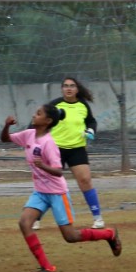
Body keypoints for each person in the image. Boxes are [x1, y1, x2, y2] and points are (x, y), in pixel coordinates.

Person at [2, 106, 122, 272]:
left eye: (38, 114)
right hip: (40, 192)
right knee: (24, 223)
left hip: (57, 193)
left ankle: (108, 234)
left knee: (71, 236)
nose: (34, 115)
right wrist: (6, 126)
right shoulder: (29, 134)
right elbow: (5, 139)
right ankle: (47, 268)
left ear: (48, 121)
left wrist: (42, 165)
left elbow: (59, 171)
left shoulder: (49, 143)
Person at [39, 77, 105, 230]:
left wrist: (90, 130)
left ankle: (97, 218)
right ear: (62, 89)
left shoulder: (83, 105)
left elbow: (91, 121)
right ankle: (36, 218)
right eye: (65, 86)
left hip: (77, 149)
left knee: (85, 180)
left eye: (72, 86)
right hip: (55, 149)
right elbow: (38, 123)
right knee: (48, 185)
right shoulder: (54, 105)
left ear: (77, 89)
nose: (68, 88)